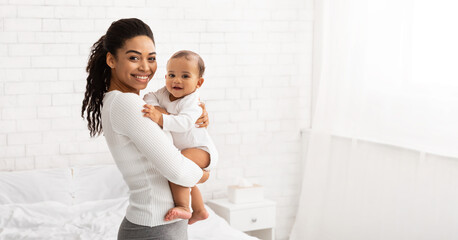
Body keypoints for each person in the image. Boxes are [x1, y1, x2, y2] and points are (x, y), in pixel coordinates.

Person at [81, 18, 210, 240]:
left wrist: (193, 113)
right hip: (154, 228)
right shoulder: (127, 104)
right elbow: (178, 171)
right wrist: (205, 174)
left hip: (158, 225)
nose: (145, 67)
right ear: (111, 60)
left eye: (151, 58)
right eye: (134, 58)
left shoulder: (128, 103)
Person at [142, 50, 218, 225]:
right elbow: (148, 97)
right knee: (187, 178)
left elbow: (183, 123)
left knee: (177, 166)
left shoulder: (193, 102)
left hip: (202, 150)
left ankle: (184, 206)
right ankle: (199, 210)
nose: (176, 80)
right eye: (171, 75)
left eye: (185, 76)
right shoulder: (163, 93)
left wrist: (161, 117)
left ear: (198, 83)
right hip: (189, 149)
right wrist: (159, 109)